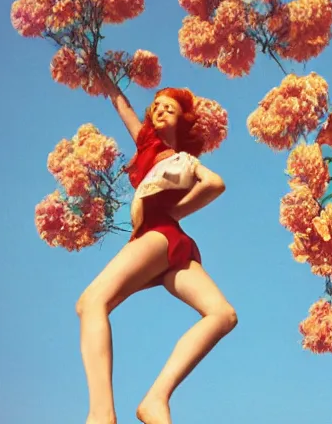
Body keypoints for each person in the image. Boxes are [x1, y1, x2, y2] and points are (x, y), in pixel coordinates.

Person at [76, 72, 238, 424]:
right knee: (222, 315)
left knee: (90, 302)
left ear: (183, 121)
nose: (160, 111)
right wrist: (103, 74)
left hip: (160, 235)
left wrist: (178, 210)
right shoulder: (147, 148)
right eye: (158, 107)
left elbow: (215, 183)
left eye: (171, 109)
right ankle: (156, 400)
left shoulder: (182, 159)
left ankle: (101, 415)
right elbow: (124, 107)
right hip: (170, 244)